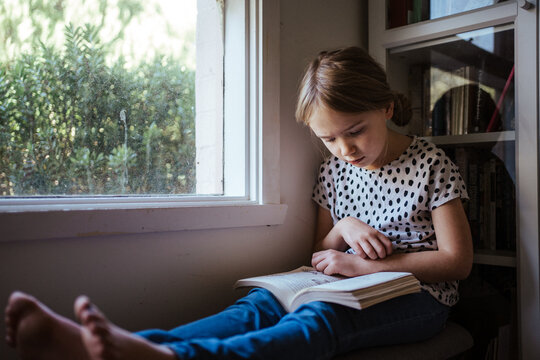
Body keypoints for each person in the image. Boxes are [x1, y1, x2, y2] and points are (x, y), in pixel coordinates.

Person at [4, 46, 473, 360]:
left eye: (355, 132)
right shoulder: (333, 171)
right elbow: (317, 249)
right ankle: (100, 347)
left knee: (320, 319)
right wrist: (346, 226)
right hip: (339, 282)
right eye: (328, 139)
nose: (344, 149)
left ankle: (170, 356)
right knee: (254, 308)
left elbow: (457, 262)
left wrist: (366, 269)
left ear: (386, 109)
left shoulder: (429, 163)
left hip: (416, 297)